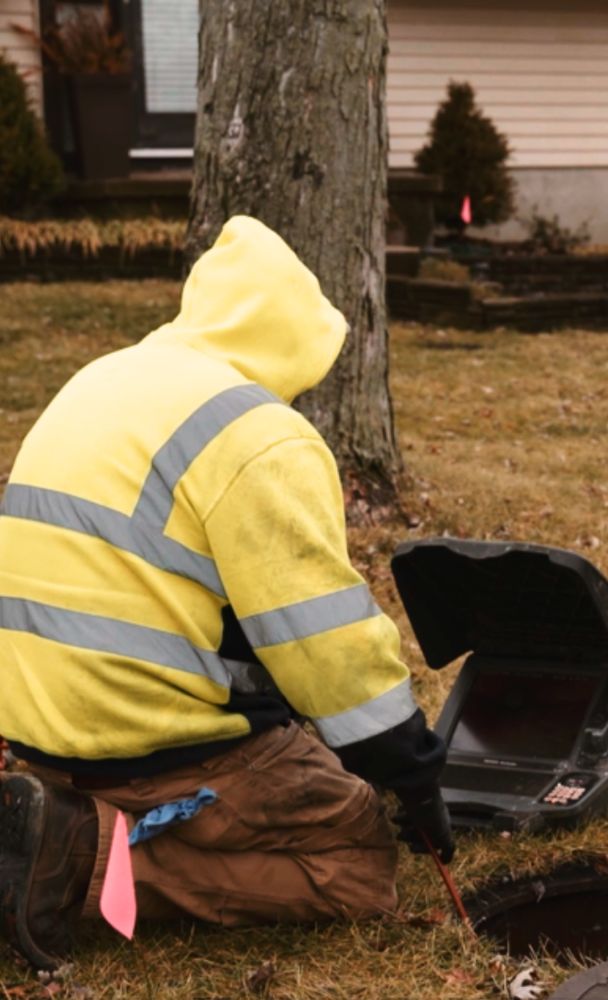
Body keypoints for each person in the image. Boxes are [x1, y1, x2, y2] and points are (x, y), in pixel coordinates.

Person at [0, 216, 453, 969]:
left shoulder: (104, 377)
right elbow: (326, 649)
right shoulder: (254, 431)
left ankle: (53, 818)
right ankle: (77, 857)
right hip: (143, 739)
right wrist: (411, 773)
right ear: (295, 341)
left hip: (36, 725)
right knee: (357, 861)